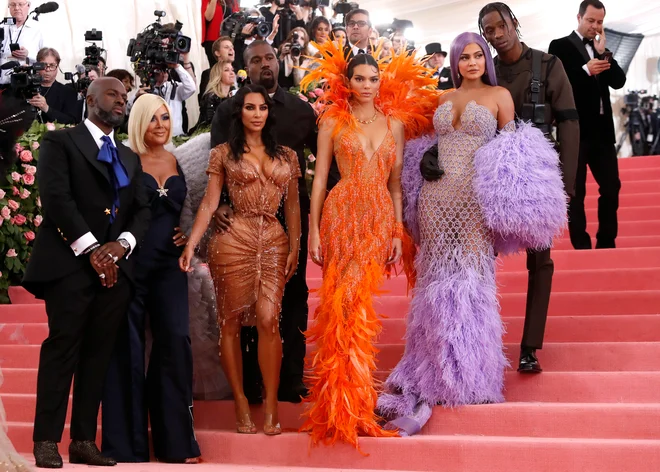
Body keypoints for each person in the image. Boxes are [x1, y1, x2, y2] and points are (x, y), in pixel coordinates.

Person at [379, 32, 567, 436]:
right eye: (463, 57)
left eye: (477, 55)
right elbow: (426, 140)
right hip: (435, 199)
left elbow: (513, 153)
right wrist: (427, 153)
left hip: (473, 201)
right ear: (454, 61)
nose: (470, 62)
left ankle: (469, 376)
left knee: (470, 283)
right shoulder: (442, 99)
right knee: (433, 284)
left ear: (486, 59)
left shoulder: (500, 96)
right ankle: (433, 369)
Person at [299, 41, 438, 448]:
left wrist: (397, 231)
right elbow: (320, 180)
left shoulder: (393, 123)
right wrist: (314, 231)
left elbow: (395, 185)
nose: (366, 85)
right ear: (346, 82)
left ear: (380, 82)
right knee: (341, 305)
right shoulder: (331, 123)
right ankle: (340, 407)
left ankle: (352, 403)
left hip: (378, 217)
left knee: (358, 307)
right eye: (359, 78)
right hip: (341, 215)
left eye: (373, 79)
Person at [22, 77, 151, 468]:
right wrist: (92, 249)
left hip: (115, 271)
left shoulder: (129, 157)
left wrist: (121, 245)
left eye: (124, 96)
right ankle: (46, 440)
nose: (120, 100)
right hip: (69, 265)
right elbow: (57, 199)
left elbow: (142, 210)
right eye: (113, 94)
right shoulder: (60, 142)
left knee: (98, 355)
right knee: (63, 350)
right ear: (89, 98)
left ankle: (82, 441)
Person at [180, 84, 302, 435]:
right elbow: (209, 202)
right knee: (230, 323)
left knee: (268, 319)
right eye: (250, 108)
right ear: (240, 113)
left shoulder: (287, 156)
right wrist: (191, 244)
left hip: (274, 240)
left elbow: (292, 206)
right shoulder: (222, 154)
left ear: (269, 112)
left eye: (262, 107)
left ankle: (271, 406)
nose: (257, 114)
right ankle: (241, 402)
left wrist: (294, 246)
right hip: (232, 241)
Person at [211, 41, 324, 405]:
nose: (264, 64)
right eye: (256, 60)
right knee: (245, 303)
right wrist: (219, 207)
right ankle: (251, 384)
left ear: (279, 62)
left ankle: (290, 379)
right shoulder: (228, 111)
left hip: (290, 220)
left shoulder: (301, 111)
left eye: (270, 58)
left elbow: (326, 162)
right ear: (245, 67)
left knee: (293, 296)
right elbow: (216, 167)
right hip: (241, 222)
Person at [478, 2, 580, 373]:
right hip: (490, 176)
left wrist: (566, 184)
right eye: (488, 30)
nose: (496, 34)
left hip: (536, 176)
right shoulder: (483, 70)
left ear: (514, 23)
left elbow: (569, 121)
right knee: (479, 258)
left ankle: (529, 348)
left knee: (541, 261)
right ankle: (480, 340)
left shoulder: (548, 65)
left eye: (500, 25)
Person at [101, 94, 201, 463]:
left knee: (175, 340)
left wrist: (186, 236)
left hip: (169, 266)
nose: (160, 125)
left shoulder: (176, 160)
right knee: (126, 348)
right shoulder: (124, 159)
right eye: (153, 119)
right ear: (138, 122)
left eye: (165, 118)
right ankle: (127, 446)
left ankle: (176, 443)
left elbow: (187, 208)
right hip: (131, 263)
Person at [549, 0, 626, 250]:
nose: (595, 26)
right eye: (591, 20)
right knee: (576, 192)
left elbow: (618, 82)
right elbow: (557, 85)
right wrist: (585, 70)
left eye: (600, 22)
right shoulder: (559, 46)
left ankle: (606, 242)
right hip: (575, 132)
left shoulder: (600, 46)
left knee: (612, 187)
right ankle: (580, 245)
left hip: (603, 133)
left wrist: (604, 54)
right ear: (579, 17)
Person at [133, 56, 197, 137]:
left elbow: (191, 88)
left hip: (175, 138)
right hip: (152, 138)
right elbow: (129, 112)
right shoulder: (142, 91)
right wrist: (137, 99)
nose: (163, 75)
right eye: (158, 72)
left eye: (165, 71)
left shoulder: (175, 87)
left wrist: (177, 67)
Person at [26, 48, 79, 125]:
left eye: (52, 65)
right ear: (37, 66)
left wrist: (46, 108)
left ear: (57, 67)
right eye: (43, 65)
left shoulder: (68, 92)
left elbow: (71, 121)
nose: (47, 69)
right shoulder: (25, 88)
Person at [0, 0, 44, 87]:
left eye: (20, 4)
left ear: (28, 5)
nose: (16, 8)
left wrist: (28, 55)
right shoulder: (2, 27)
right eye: (12, 5)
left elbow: (47, 60)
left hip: (25, 85)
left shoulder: (39, 29)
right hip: (2, 84)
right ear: (8, 7)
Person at [193, 61, 236, 132]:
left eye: (232, 70)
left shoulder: (235, 95)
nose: (232, 73)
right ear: (218, 75)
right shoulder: (210, 97)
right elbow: (209, 124)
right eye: (226, 70)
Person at [202, 0, 239, 65]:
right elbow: (208, 17)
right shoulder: (207, 1)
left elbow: (237, 17)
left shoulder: (233, 2)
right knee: (217, 68)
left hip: (231, 40)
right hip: (213, 40)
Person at [199, 36, 235, 102]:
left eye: (232, 47)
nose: (231, 49)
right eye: (226, 47)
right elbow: (203, 102)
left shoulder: (238, 71)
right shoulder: (208, 74)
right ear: (217, 53)